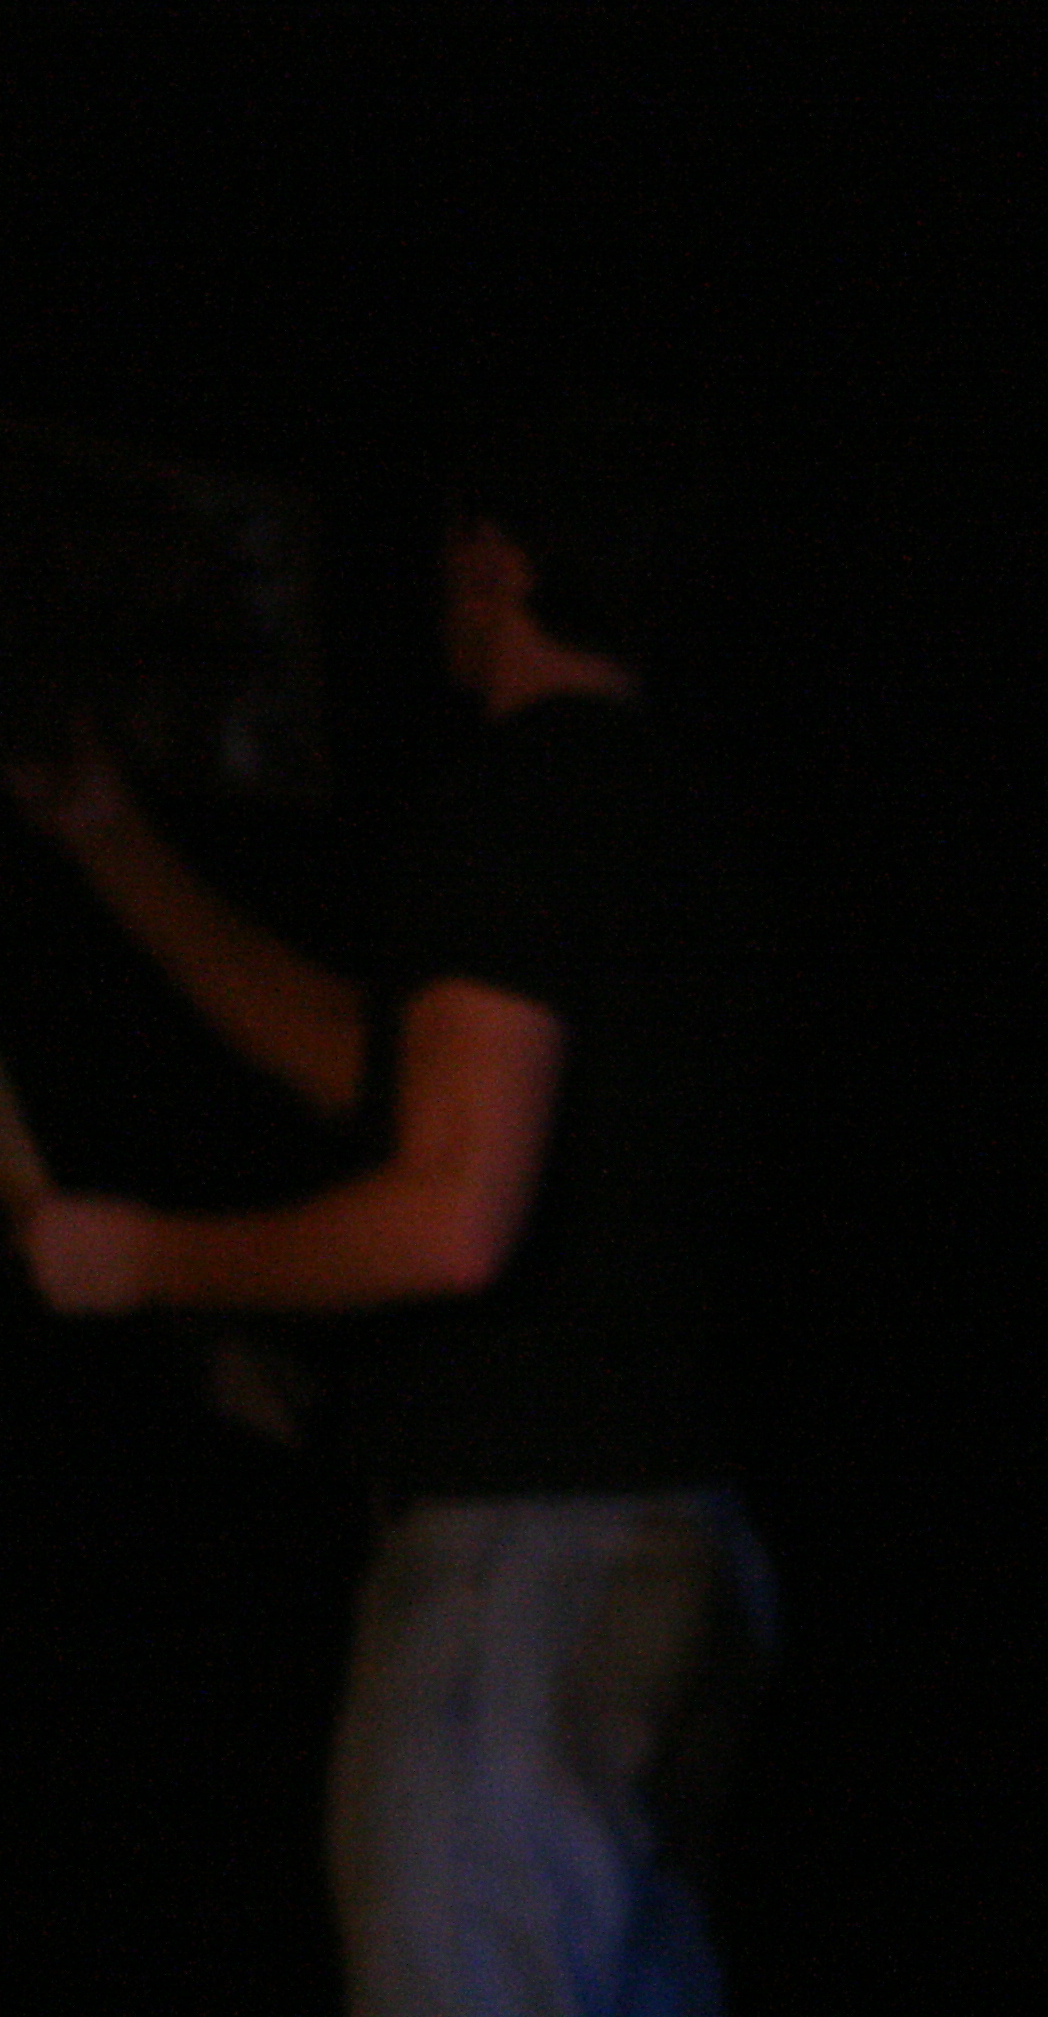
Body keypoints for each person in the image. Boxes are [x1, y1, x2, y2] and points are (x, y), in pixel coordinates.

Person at [10, 415, 770, 2017]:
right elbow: (389, 1071)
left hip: (526, 1577)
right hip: (664, 1562)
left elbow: (447, 1217)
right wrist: (110, 840)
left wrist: (139, 1256)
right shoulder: (668, 820)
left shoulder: (517, 805)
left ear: (494, 557)